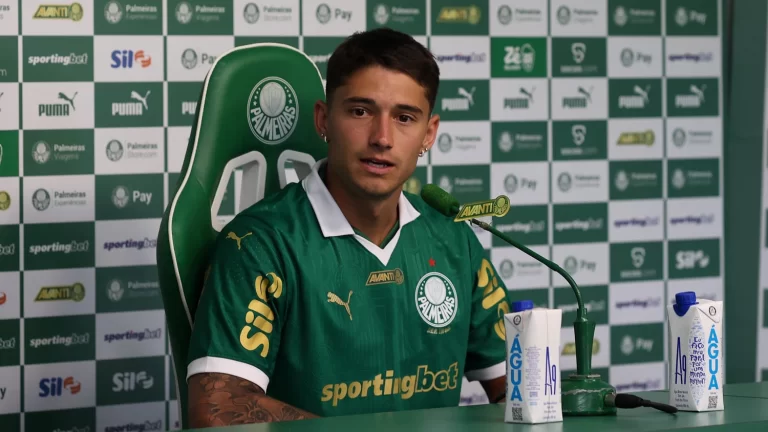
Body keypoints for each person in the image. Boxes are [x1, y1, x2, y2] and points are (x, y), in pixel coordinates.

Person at [185, 27, 513, 427]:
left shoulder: (453, 237)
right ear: (324, 120)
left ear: (428, 134)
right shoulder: (258, 244)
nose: (382, 138)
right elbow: (217, 408)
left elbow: (518, 386)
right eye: (360, 111)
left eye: (405, 117)